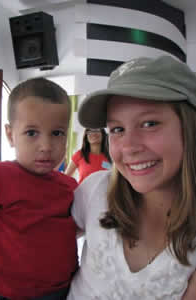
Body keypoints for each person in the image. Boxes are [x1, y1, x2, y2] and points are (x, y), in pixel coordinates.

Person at [67, 56, 196, 299]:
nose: (128, 147)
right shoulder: (96, 190)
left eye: (149, 123)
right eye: (117, 129)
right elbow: (41, 238)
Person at [0, 77, 78, 300]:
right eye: (31, 133)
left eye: (57, 133)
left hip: (61, 291)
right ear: (10, 135)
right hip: (5, 293)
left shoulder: (69, 187)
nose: (46, 147)